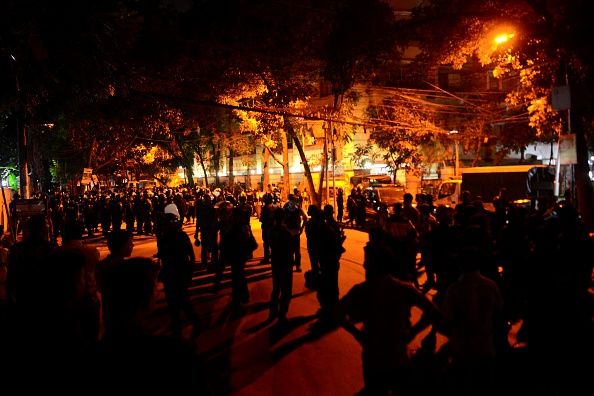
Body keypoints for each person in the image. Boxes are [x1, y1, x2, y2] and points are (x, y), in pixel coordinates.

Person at [337, 242, 445, 395]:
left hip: (372, 357)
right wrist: (413, 332)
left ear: (371, 265)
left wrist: (358, 334)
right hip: (398, 356)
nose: (364, 264)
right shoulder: (404, 288)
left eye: (367, 261)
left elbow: (335, 314)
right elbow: (434, 313)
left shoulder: (362, 290)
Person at [268, 208, 294, 323]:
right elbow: (290, 249)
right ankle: (282, 314)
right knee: (286, 290)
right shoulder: (285, 232)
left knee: (276, 288)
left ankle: (273, 312)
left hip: (276, 261)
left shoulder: (272, 231)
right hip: (285, 262)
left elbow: (269, 243)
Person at [282, 194, 308, 272]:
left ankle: (294, 265)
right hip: (293, 231)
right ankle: (296, 265)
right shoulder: (295, 207)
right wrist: (301, 228)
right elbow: (305, 217)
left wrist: (301, 228)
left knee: (291, 250)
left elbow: (305, 217)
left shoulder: (287, 207)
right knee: (295, 250)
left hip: (290, 231)